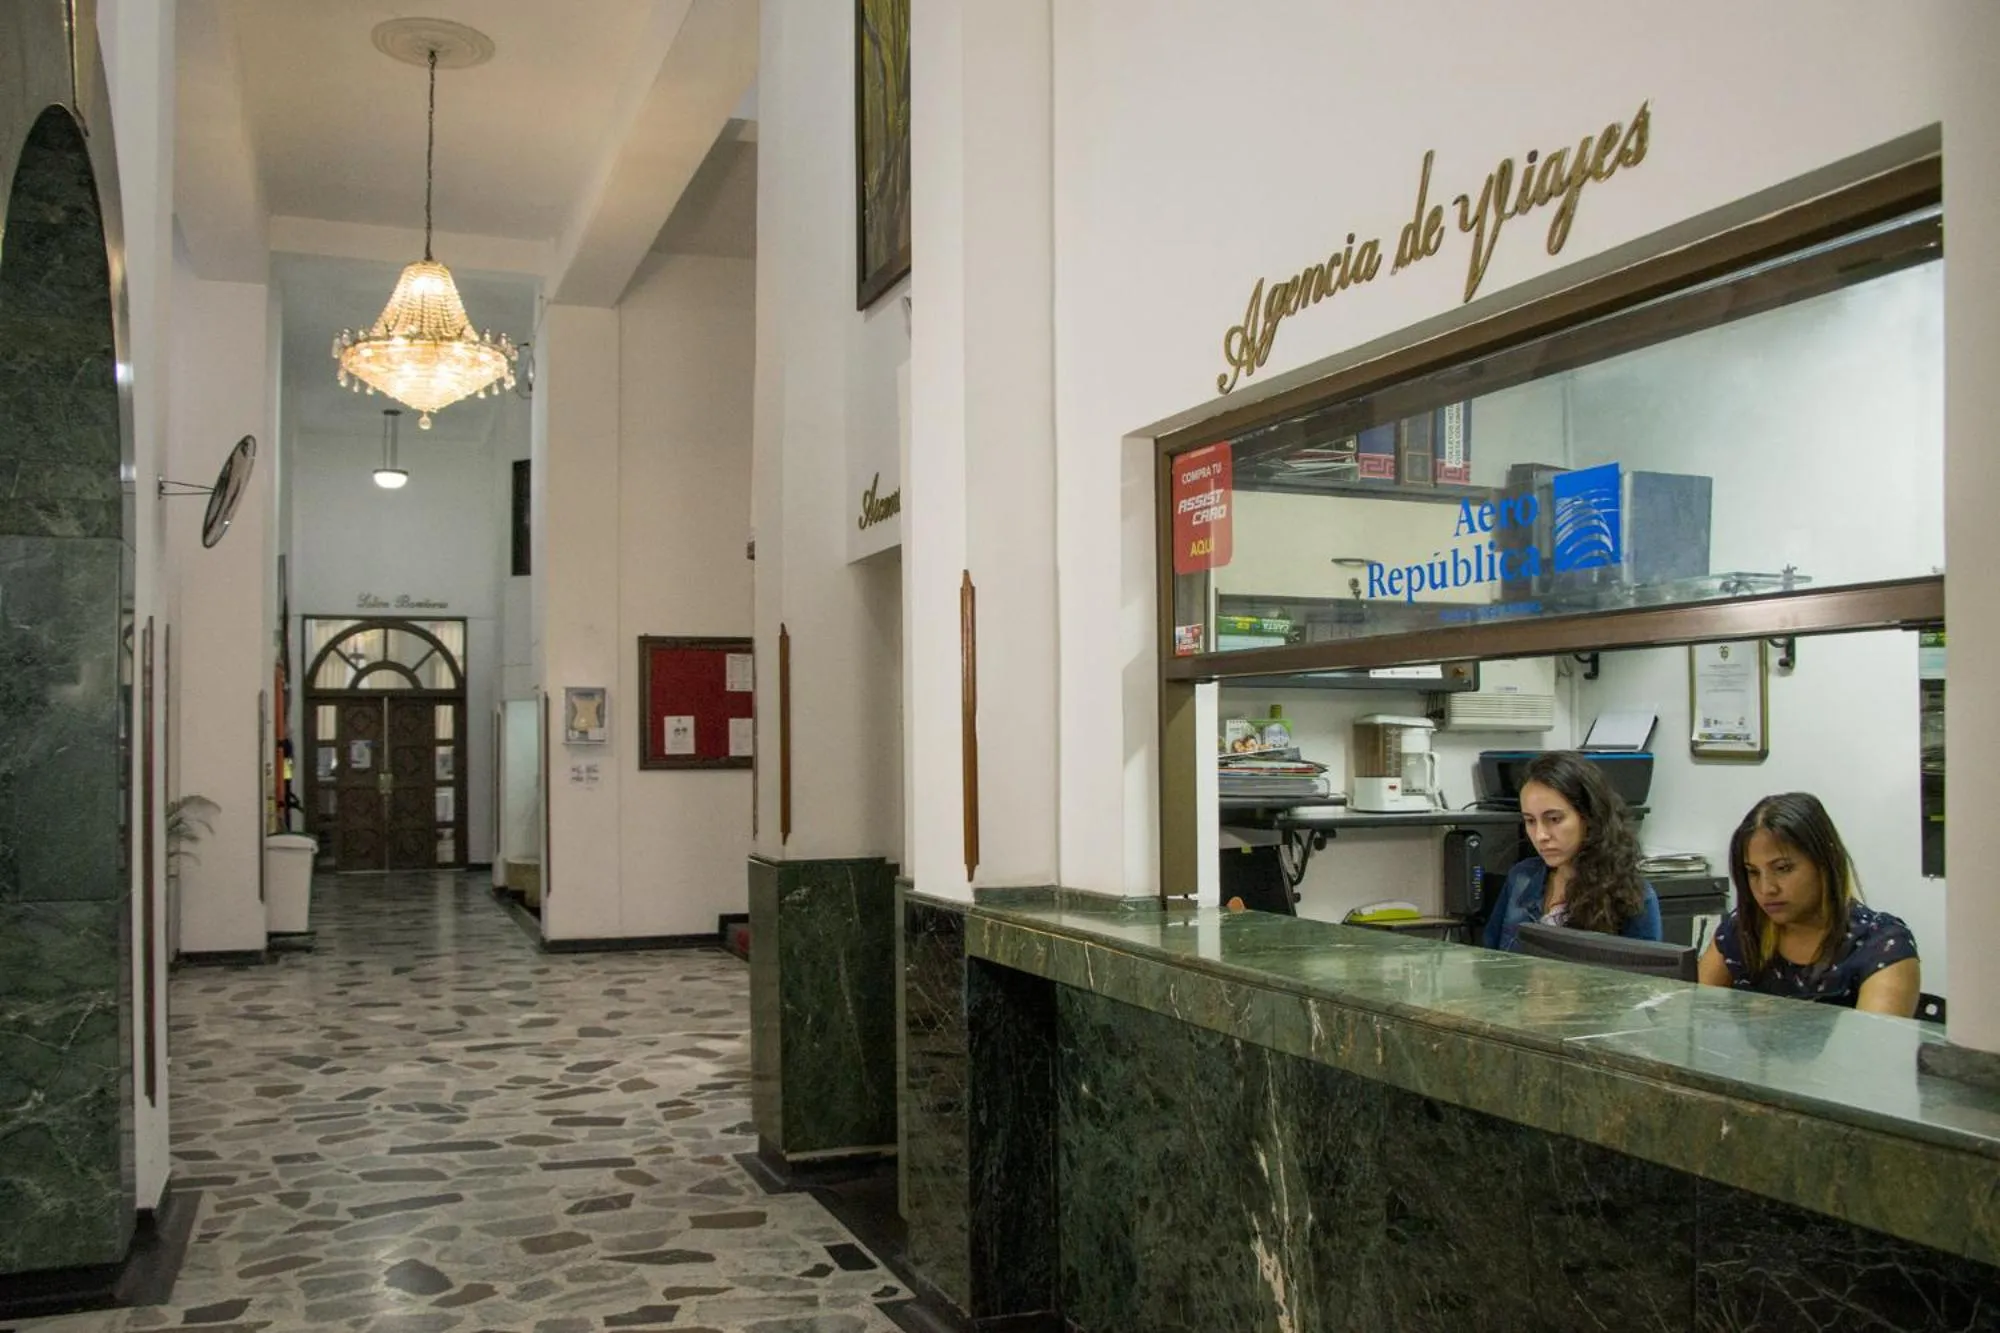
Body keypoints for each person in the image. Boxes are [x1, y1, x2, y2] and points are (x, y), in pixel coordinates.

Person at [1698, 793, 1919, 1015]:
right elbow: (1695, 1021)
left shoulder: (1881, 943)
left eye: (1783, 868)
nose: (1767, 889)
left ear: (1825, 862)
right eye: (1753, 872)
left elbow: (1874, 1047)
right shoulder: (1742, 929)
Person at [1482, 750, 1662, 952]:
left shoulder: (1632, 896)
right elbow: (1490, 961)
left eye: (1554, 819)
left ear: (1588, 816)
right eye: (1530, 821)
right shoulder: (1521, 878)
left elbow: (1647, 979)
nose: (1540, 835)